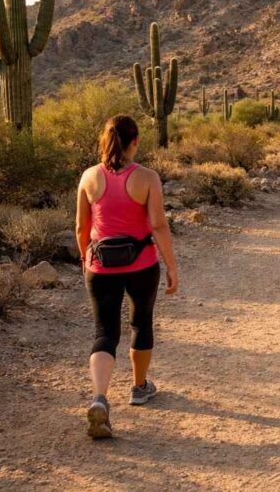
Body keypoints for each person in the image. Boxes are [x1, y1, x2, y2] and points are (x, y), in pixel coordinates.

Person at [75, 115, 179, 440]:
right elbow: (159, 225)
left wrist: (85, 258)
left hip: (100, 265)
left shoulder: (89, 177)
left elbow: (81, 227)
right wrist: (172, 267)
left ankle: (100, 399)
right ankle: (138, 387)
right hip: (141, 265)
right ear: (135, 141)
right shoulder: (147, 177)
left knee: (104, 332)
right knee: (141, 323)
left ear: (104, 141)